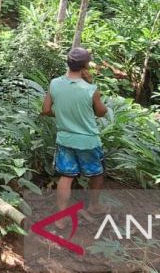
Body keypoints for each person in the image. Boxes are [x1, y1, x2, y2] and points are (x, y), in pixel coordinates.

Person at [42, 47, 108, 223]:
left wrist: (61, 115)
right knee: (96, 174)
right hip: (88, 141)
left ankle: (61, 217)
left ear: (68, 62)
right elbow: (101, 112)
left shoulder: (54, 84)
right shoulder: (90, 89)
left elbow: (46, 110)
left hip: (65, 139)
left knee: (66, 176)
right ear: (85, 65)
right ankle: (94, 205)